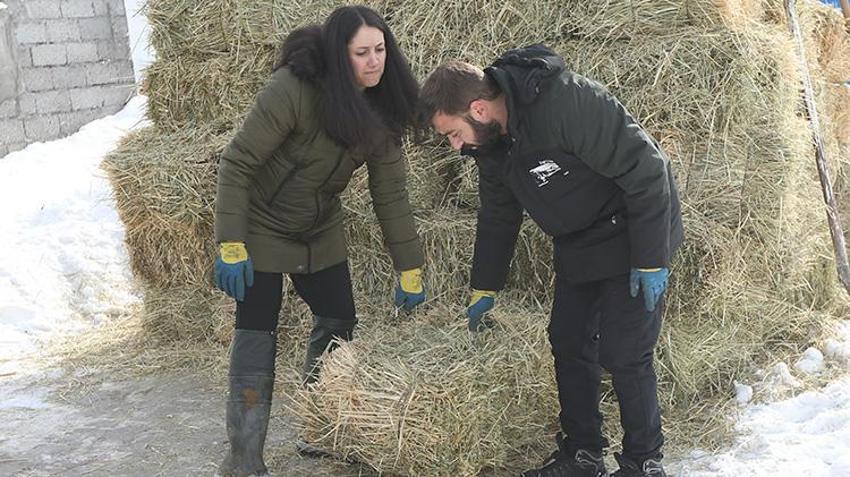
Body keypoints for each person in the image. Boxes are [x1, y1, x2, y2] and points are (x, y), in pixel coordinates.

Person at [418, 45, 683, 477]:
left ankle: (644, 461)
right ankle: (583, 454)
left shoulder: (565, 103)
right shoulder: (491, 145)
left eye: (452, 133)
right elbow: (499, 214)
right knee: (567, 340)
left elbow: (648, 169)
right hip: (578, 238)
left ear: (479, 108)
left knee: (624, 351)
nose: (454, 146)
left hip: (633, 230)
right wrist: (486, 285)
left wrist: (651, 258)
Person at [212, 6, 426, 476]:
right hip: (262, 224)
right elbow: (238, 163)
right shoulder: (293, 89)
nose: (374, 62)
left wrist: (409, 266)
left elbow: (389, 194)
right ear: (337, 54)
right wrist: (232, 242)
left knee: (339, 320)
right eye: (361, 53)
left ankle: (319, 428)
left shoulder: (382, 107)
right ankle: (244, 457)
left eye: (380, 50)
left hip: (319, 227)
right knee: (256, 336)